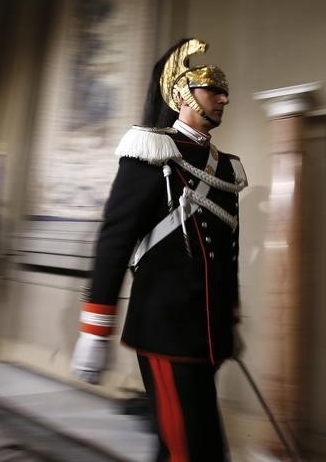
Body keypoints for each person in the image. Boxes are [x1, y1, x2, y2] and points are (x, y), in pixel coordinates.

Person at [71, 38, 247, 461]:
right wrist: (95, 329)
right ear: (183, 94)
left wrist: (230, 317)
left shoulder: (225, 166)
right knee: (187, 450)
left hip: (206, 333)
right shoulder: (150, 151)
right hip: (166, 329)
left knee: (199, 446)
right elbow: (114, 241)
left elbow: (228, 252)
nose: (224, 97)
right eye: (212, 88)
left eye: (223, 90)